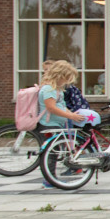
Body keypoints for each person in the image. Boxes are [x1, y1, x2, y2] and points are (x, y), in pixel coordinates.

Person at [38, 60, 86, 189]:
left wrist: (73, 115)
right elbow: (51, 108)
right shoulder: (49, 89)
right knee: (51, 153)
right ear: (60, 75)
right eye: (67, 78)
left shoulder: (56, 89)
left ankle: (50, 178)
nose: (67, 81)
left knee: (54, 151)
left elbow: (61, 106)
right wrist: (71, 116)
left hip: (56, 124)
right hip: (49, 124)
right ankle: (49, 180)